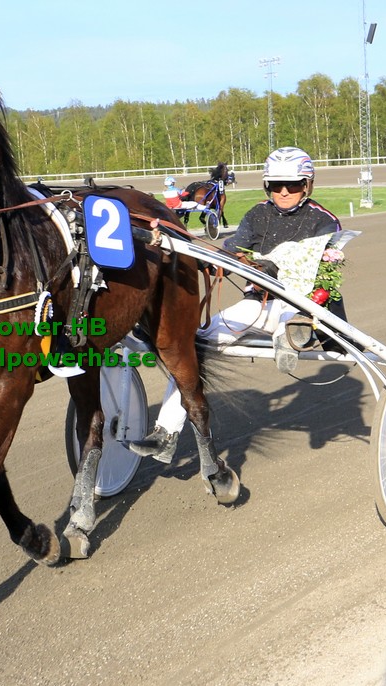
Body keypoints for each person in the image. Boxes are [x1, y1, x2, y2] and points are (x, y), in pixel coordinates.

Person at [131, 147, 346, 464]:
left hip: (300, 306)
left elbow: (325, 277)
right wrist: (202, 260)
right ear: (267, 186)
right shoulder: (257, 215)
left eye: (293, 184)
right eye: (276, 185)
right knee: (192, 350)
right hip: (256, 305)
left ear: (307, 185)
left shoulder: (324, 221)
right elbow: (230, 252)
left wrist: (277, 270)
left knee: (292, 321)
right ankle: (165, 434)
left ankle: (290, 338)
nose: (284, 192)